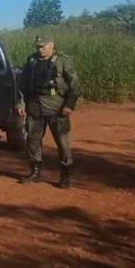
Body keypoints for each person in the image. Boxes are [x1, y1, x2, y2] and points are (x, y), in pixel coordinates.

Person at [16, 34, 81, 188]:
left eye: (43, 46)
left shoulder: (63, 60)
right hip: (35, 105)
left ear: (52, 44)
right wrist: (22, 103)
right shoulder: (31, 61)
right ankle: (35, 172)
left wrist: (69, 105)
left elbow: (74, 85)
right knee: (33, 140)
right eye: (38, 46)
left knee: (62, 141)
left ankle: (65, 175)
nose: (40, 49)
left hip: (56, 106)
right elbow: (23, 85)